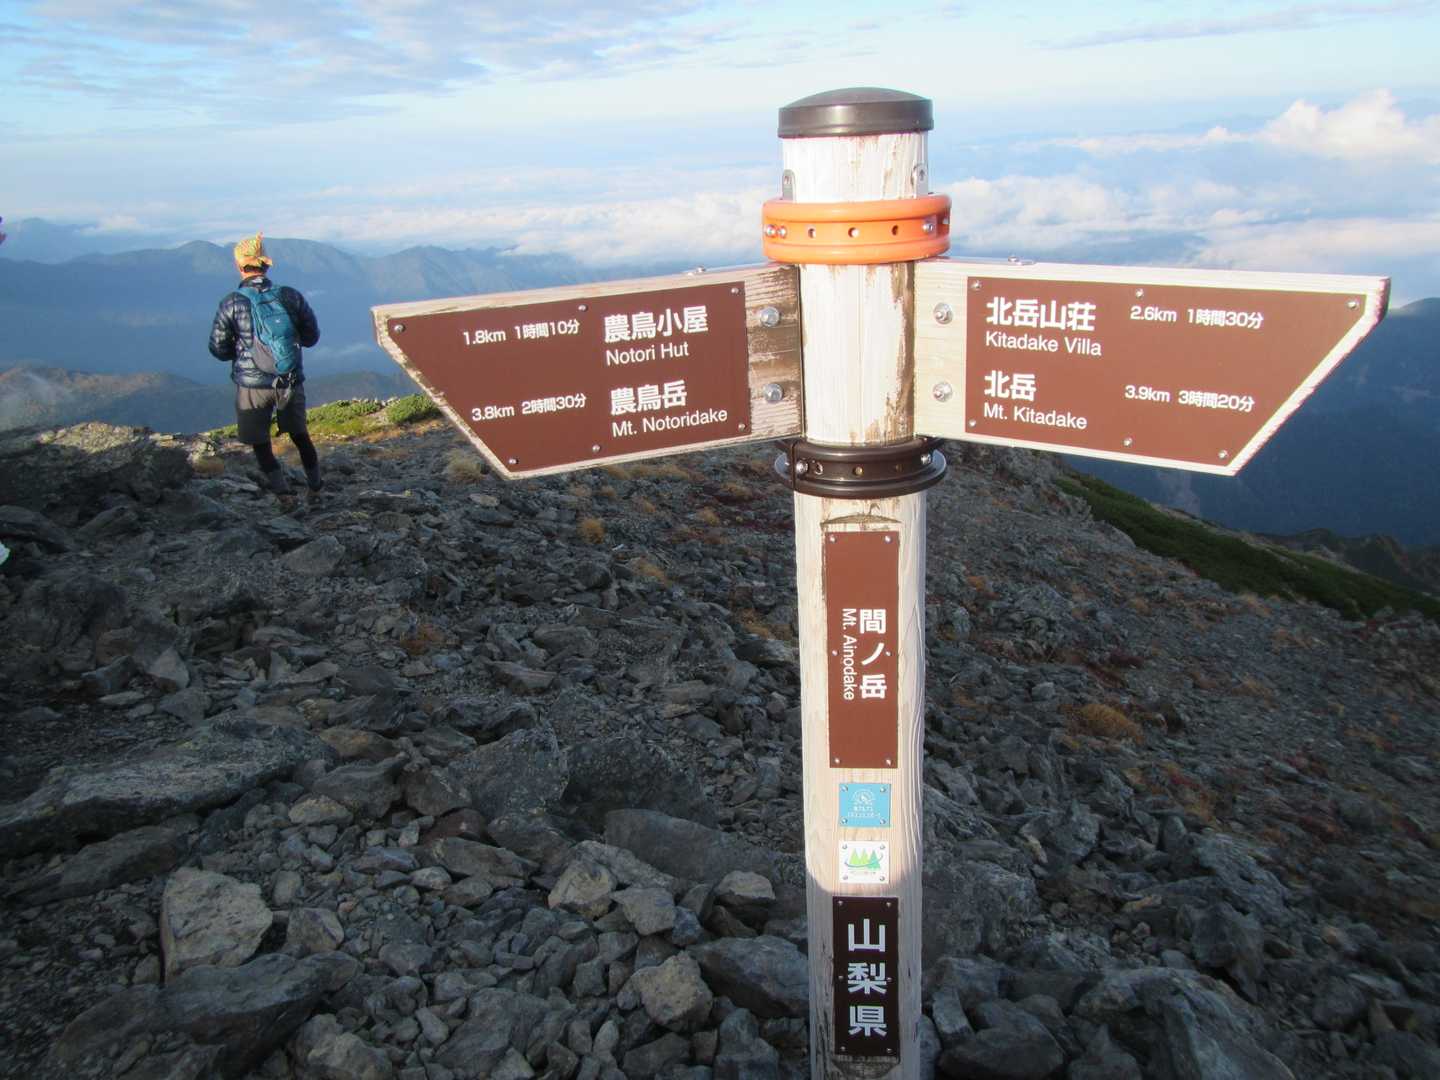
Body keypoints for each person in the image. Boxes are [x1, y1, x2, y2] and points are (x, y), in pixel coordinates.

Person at [208, 233, 323, 495]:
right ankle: (316, 486)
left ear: (239, 266)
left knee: (260, 442)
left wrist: (242, 355)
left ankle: (283, 495)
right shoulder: (291, 296)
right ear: (266, 265)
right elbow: (311, 337)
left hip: (252, 386)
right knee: (300, 436)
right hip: (289, 380)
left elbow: (218, 348)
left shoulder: (231, 303)